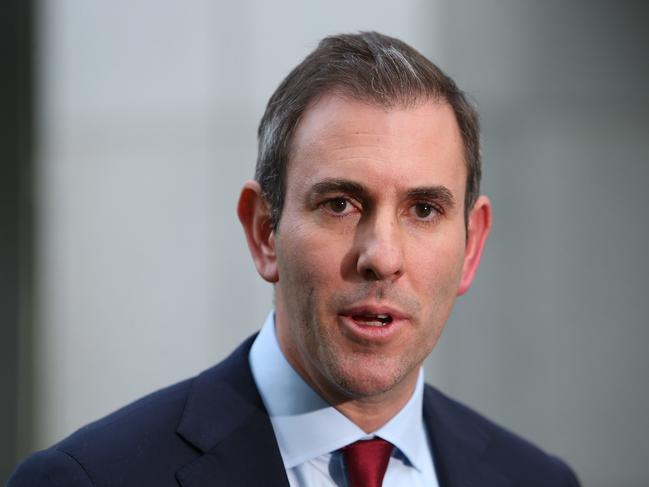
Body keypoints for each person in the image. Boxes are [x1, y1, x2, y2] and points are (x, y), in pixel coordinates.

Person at [9, 31, 580, 486]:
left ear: (472, 245)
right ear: (264, 231)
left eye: (424, 210)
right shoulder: (89, 479)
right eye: (340, 204)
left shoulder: (537, 479)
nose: (381, 257)